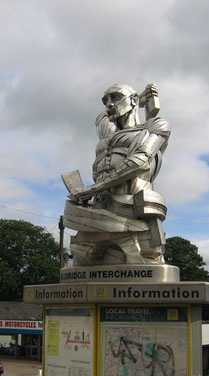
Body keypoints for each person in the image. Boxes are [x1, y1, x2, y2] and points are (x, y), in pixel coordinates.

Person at [63, 83, 170, 266]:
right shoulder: (107, 136)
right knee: (82, 261)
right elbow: (101, 119)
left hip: (132, 207)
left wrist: (92, 189)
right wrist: (134, 101)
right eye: (106, 100)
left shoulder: (155, 126)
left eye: (115, 97)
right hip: (100, 205)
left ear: (133, 100)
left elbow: (140, 161)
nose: (109, 104)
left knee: (146, 265)